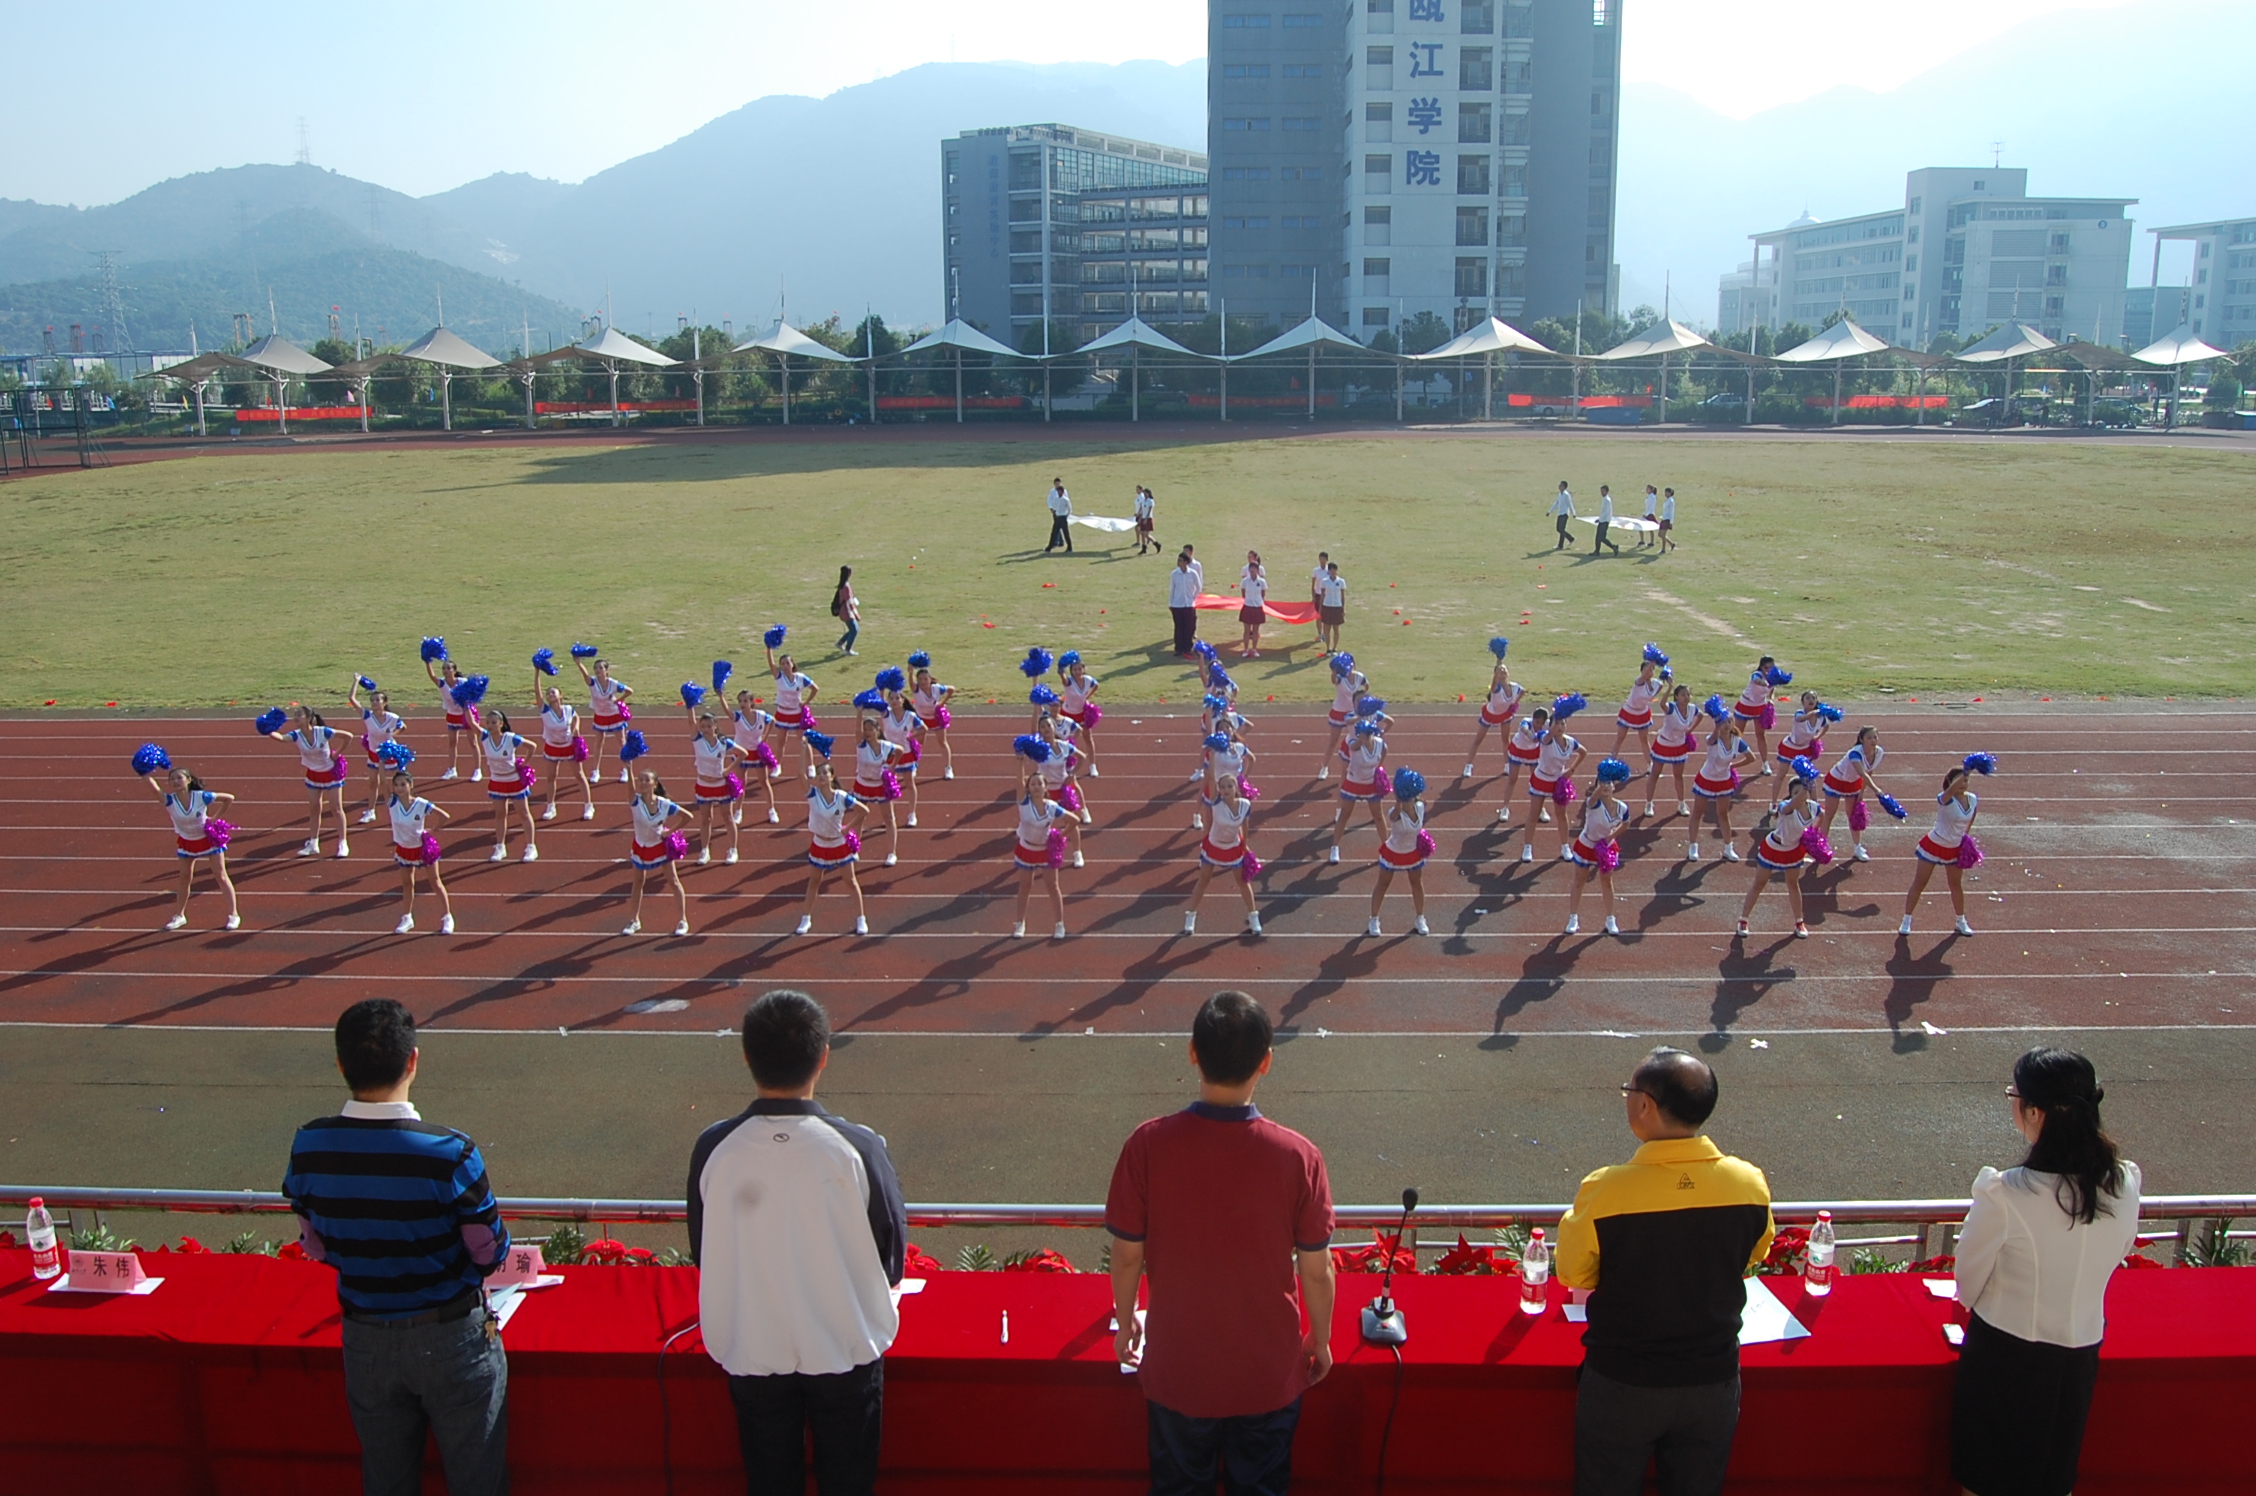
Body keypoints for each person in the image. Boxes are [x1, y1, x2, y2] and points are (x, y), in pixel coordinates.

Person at [1107, 992, 1335, 1496]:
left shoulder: (1147, 1144)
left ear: (1193, 1052)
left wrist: (1125, 1322)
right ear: (1266, 1062)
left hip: (1179, 1368)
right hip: (1266, 1372)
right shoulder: (1299, 1157)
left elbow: (1126, 1256)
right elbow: (1317, 1270)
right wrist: (1319, 1339)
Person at [284, 999, 511, 1496]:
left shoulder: (309, 1146)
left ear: (341, 1064)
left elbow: (316, 1245)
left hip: (366, 1338)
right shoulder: (451, 1153)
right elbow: (489, 1252)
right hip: (452, 1338)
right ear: (412, 1060)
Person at [691, 990, 905, 1496]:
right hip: (845, 1349)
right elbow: (890, 1254)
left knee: (770, 1482)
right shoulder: (858, 1146)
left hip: (753, 1345)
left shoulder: (714, 1147)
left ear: (747, 1055)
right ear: (823, 1056)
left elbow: (705, 1248)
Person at [1557, 1047, 1775, 1496]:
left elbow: (1574, 1273)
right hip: (1712, 1381)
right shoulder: (1748, 1182)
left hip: (1623, 1382)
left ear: (1646, 1105)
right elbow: (1755, 1255)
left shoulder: (1605, 1188)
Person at [1951, 1047, 2141, 1496]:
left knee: (1988, 1482)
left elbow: (1967, 1285)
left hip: (2006, 1359)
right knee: (2053, 1480)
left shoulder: (2006, 1193)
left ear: (2034, 1111)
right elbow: (2121, 1250)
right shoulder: (2124, 1181)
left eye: (2014, 1096)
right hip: (2079, 1358)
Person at [144, 763, 240, 931]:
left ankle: (233, 915)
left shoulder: (201, 796)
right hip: (187, 841)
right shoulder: (169, 801)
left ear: (188, 780)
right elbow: (154, 790)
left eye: (179, 778)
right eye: (172, 779)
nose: (175, 781)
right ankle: (180, 915)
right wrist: (144, 774)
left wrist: (214, 818)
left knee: (221, 876)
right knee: (184, 878)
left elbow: (229, 798)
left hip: (207, 840)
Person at [1735, 765, 1822, 941]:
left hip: (1793, 851)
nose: (1800, 795)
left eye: (1802, 791)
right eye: (1795, 792)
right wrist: (1804, 789)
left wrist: (1813, 835)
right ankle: (1743, 920)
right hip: (1773, 848)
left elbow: (1822, 815)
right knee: (1759, 883)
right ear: (1791, 794)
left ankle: (1799, 922)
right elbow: (1792, 804)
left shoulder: (1814, 808)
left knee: (1793, 884)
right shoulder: (1785, 807)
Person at [1901, 759, 1986, 937]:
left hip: (1954, 848)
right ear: (1950, 781)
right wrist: (1965, 770)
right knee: (1920, 883)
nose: (1963, 783)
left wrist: (1964, 841)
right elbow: (1949, 791)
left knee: (1955, 885)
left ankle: (1961, 921)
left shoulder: (1972, 799)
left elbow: (1970, 820)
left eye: (1966, 780)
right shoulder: (1944, 798)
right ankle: (1906, 920)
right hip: (1934, 845)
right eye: (1960, 780)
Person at [797, 745, 869, 937]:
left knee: (850, 881)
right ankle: (806, 918)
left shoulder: (841, 797)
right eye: (819, 773)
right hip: (820, 843)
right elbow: (800, 774)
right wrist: (803, 748)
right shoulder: (812, 795)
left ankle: (861, 919)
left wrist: (848, 828)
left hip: (839, 844)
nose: (821, 776)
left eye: (825, 773)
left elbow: (864, 811)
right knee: (814, 881)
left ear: (832, 777)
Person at [268, 703, 354, 859]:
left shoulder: (323, 732)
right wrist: (268, 729)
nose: (296, 717)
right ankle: (314, 844)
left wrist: (336, 754)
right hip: (313, 775)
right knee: (314, 809)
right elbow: (281, 738)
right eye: (295, 714)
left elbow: (348, 736)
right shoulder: (296, 735)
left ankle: (343, 842)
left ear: (309, 718)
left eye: (299, 714)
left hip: (330, 774)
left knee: (336, 809)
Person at [1181, 771, 1262, 936]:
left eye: (1229, 786)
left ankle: (1254, 917)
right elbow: (1211, 777)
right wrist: (1212, 757)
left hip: (1233, 847)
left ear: (1236, 788)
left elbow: (1245, 827)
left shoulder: (1245, 805)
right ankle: (1190, 916)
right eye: (1223, 787)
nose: (1226, 790)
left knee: (1243, 882)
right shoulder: (1215, 803)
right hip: (1214, 846)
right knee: (1203, 880)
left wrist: (1245, 846)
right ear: (1218, 789)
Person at [1564, 758, 1634, 936]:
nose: (1606, 786)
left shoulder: (1622, 808)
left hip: (1606, 847)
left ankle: (1610, 919)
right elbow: (1593, 797)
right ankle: (1573, 918)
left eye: (1609, 783)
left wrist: (1611, 837)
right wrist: (1601, 780)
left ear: (1615, 786)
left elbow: (1627, 823)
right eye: (1602, 783)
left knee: (1607, 882)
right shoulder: (1592, 803)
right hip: (1587, 845)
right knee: (1579, 881)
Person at [623, 764, 692, 937]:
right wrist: (629, 767)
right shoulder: (635, 801)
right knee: (638, 883)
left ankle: (682, 920)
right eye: (640, 780)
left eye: (647, 780)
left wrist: (670, 832)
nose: (643, 783)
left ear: (654, 784)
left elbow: (688, 816)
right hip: (641, 847)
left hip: (660, 847)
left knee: (673, 881)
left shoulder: (664, 804)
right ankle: (634, 920)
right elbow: (630, 787)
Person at [384, 766, 455, 936]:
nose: (399, 788)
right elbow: (381, 782)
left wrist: (432, 830)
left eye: (403, 784)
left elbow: (444, 816)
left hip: (423, 848)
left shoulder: (421, 804)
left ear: (411, 785)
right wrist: (381, 762)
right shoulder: (392, 803)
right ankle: (407, 917)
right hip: (404, 849)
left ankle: (447, 917)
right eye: (396, 785)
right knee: (407, 884)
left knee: (435, 882)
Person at [1368, 767, 1433, 937]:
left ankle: (1420, 918)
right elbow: (1393, 815)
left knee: (1416, 883)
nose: (1408, 801)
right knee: (1383, 884)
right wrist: (1398, 800)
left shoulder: (1420, 807)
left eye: (1410, 798)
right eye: (1405, 798)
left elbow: (1421, 803)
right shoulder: (1394, 813)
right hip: (1393, 853)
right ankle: (1374, 919)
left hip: (1413, 853)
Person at [349, 676, 408, 826]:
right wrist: (356, 680)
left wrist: (392, 736)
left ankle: (402, 809)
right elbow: (352, 699)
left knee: (397, 782)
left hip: (390, 754)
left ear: (384, 702)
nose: (374, 702)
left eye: (377, 700)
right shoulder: (367, 716)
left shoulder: (392, 717)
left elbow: (403, 726)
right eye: (372, 700)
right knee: (373, 783)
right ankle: (371, 811)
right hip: (374, 753)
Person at [577, 653, 635, 787]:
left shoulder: (613, 683)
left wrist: (619, 700)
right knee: (598, 743)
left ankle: (626, 770)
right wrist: (578, 662)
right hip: (600, 715)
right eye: (596, 668)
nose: (598, 670)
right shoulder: (592, 683)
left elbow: (629, 691)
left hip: (615, 715)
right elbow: (584, 675)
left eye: (600, 668)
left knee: (622, 743)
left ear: (606, 671)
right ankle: (595, 771)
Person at [1168, 549, 1203, 658]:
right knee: (1179, 627)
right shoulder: (1175, 574)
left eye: (1181, 560)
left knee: (1189, 627)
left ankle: (1187, 648)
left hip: (1189, 604)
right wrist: (1171, 603)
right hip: (1177, 604)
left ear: (1186, 562)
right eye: (1179, 560)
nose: (1179, 563)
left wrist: (1193, 598)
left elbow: (1198, 587)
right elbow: (1172, 589)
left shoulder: (1193, 573)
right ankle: (1178, 648)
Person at [1237, 551, 1268, 659]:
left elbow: (1263, 594)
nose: (1252, 571)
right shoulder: (1245, 581)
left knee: (1255, 630)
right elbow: (1243, 593)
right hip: (1247, 606)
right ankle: (1246, 649)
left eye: (1254, 569)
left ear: (1257, 570)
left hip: (1258, 607)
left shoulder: (1262, 582)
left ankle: (1254, 649)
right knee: (1246, 630)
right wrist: (1249, 601)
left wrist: (1258, 601)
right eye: (1251, 570)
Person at [1316, 562, 1347, 657]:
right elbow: (1322, 595)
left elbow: (1342, 596)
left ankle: (1335, 648)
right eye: (1331, 569)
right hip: (1327, 605)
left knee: (1336, 628)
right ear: (1328, 571)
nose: (1333, 571)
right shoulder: (1324, 581)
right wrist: (1320, 608)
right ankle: (1328, 648)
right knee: (1327, 628)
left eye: (1334, 569)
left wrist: (1343, 608)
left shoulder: (1341, 581)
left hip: (1337, 606)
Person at [831, 566, 861, 656]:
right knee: (854, 630)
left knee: (853, 629)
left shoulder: (843, 585)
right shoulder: (846, 586)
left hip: (844, 611)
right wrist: (856, 614)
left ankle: (840, 643)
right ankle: (848, 649)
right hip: (847, 611)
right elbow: (849, 602)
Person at [1045, 477, 1074, 554]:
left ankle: (1070, 548)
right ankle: (1049, 547)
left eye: (1060, 492)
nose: (1059, 493)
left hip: (1063, 517)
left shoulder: (1065, 499)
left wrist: (1066, 515)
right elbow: (1054, 506)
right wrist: (1054, 512)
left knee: (1066, 533)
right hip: (1057, 517)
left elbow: (1069, 509)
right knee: (1054, 533)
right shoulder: (1056, 499)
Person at [1592, 485, 1621, 556]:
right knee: (1598, 537)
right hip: (1602, 520)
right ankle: (1597, 551)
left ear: (1607, 491)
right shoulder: (1604, 499)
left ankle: (1613, 547)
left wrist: (1601, 519)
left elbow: (1606, 512)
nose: (1602, 492)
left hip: (1604, 521)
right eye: (1601, 491)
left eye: (1603, 491)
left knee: (1601, 537)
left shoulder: (1607, 500)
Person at [1549, 480, 1577, 551]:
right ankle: (1571, 538)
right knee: (1559, 529)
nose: (1559, 486)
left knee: (1561, 529)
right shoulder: (1560, 494)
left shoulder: (1566, 495)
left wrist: (1573, 513)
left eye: (1561, 485)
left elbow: (1570, 504)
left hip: (1565, 514)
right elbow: (1556, 503)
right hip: (1560, 513)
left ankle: (1560, 545)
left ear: (1564, 487)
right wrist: (1550, 511)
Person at [1135, 485, 1159, 555]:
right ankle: (1144, 548)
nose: (1145, 495)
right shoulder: (1144, 501)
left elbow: (1149, 510)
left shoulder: (1150, 501)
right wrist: (1139, 516)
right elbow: (1142, 509)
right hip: (1143, 518)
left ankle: (1156, 544)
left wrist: (1146, 518)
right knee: (1142, 534)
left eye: (1146, 493)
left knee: (1146, 535)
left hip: (1148, 518)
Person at [1658, 487, 1678, 553]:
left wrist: (1671, 522)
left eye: (1667, 492)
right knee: (1660, 534)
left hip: (1667, 519)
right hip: (1664, 518)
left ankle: (1663, 549)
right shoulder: (1666, 500)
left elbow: (1672, 512)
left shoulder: (1671, 501)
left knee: (1663, 535)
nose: (1665, 493)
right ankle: (1671, 544)